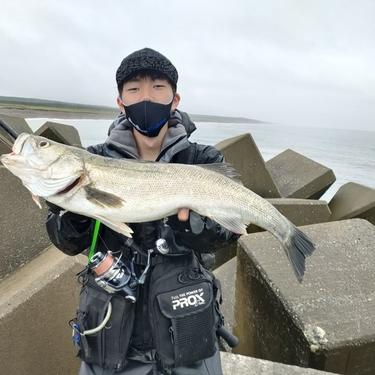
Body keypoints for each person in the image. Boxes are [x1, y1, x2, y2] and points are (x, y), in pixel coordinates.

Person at [46, 47, 239, 375]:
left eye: (158, 87)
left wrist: (191, 225)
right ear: (121, 103)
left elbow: (223, 237)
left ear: (175, 99)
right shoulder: (90, 160)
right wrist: (77, 208)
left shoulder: (203, 160)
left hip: (188, 328)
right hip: (110, 332)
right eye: (134, 89)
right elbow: (65, 241)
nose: (146, 97)